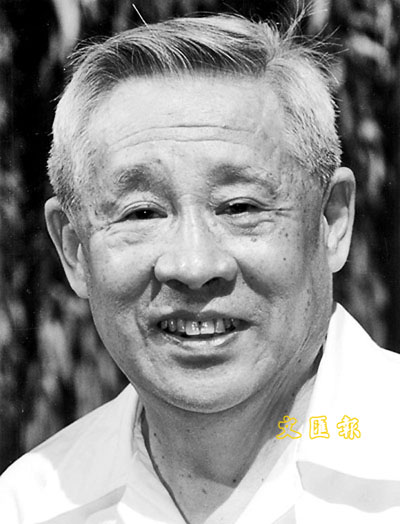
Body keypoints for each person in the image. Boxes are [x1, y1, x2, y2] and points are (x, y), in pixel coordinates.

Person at [1, 13, 400, 524]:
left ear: (332, 222)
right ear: (75, 249)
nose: (193, 266)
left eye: (240, 207)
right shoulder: (31, 506)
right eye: (142, 213)